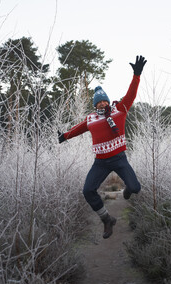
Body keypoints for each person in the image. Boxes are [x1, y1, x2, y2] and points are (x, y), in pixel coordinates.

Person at [58, 55, 147, 239]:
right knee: (87, 191)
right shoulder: (91, 118)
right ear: (95, 104)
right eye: (98, 102)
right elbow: (80, 128)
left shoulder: (119, 109)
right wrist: (65, 136)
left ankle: (128, 188)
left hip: (119, 159)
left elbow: (131, 94)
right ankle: (107, 219)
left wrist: (136, 75)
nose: (102, 103)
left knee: (135, 188)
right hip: (100, 162)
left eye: (104, 100)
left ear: (108, 100)